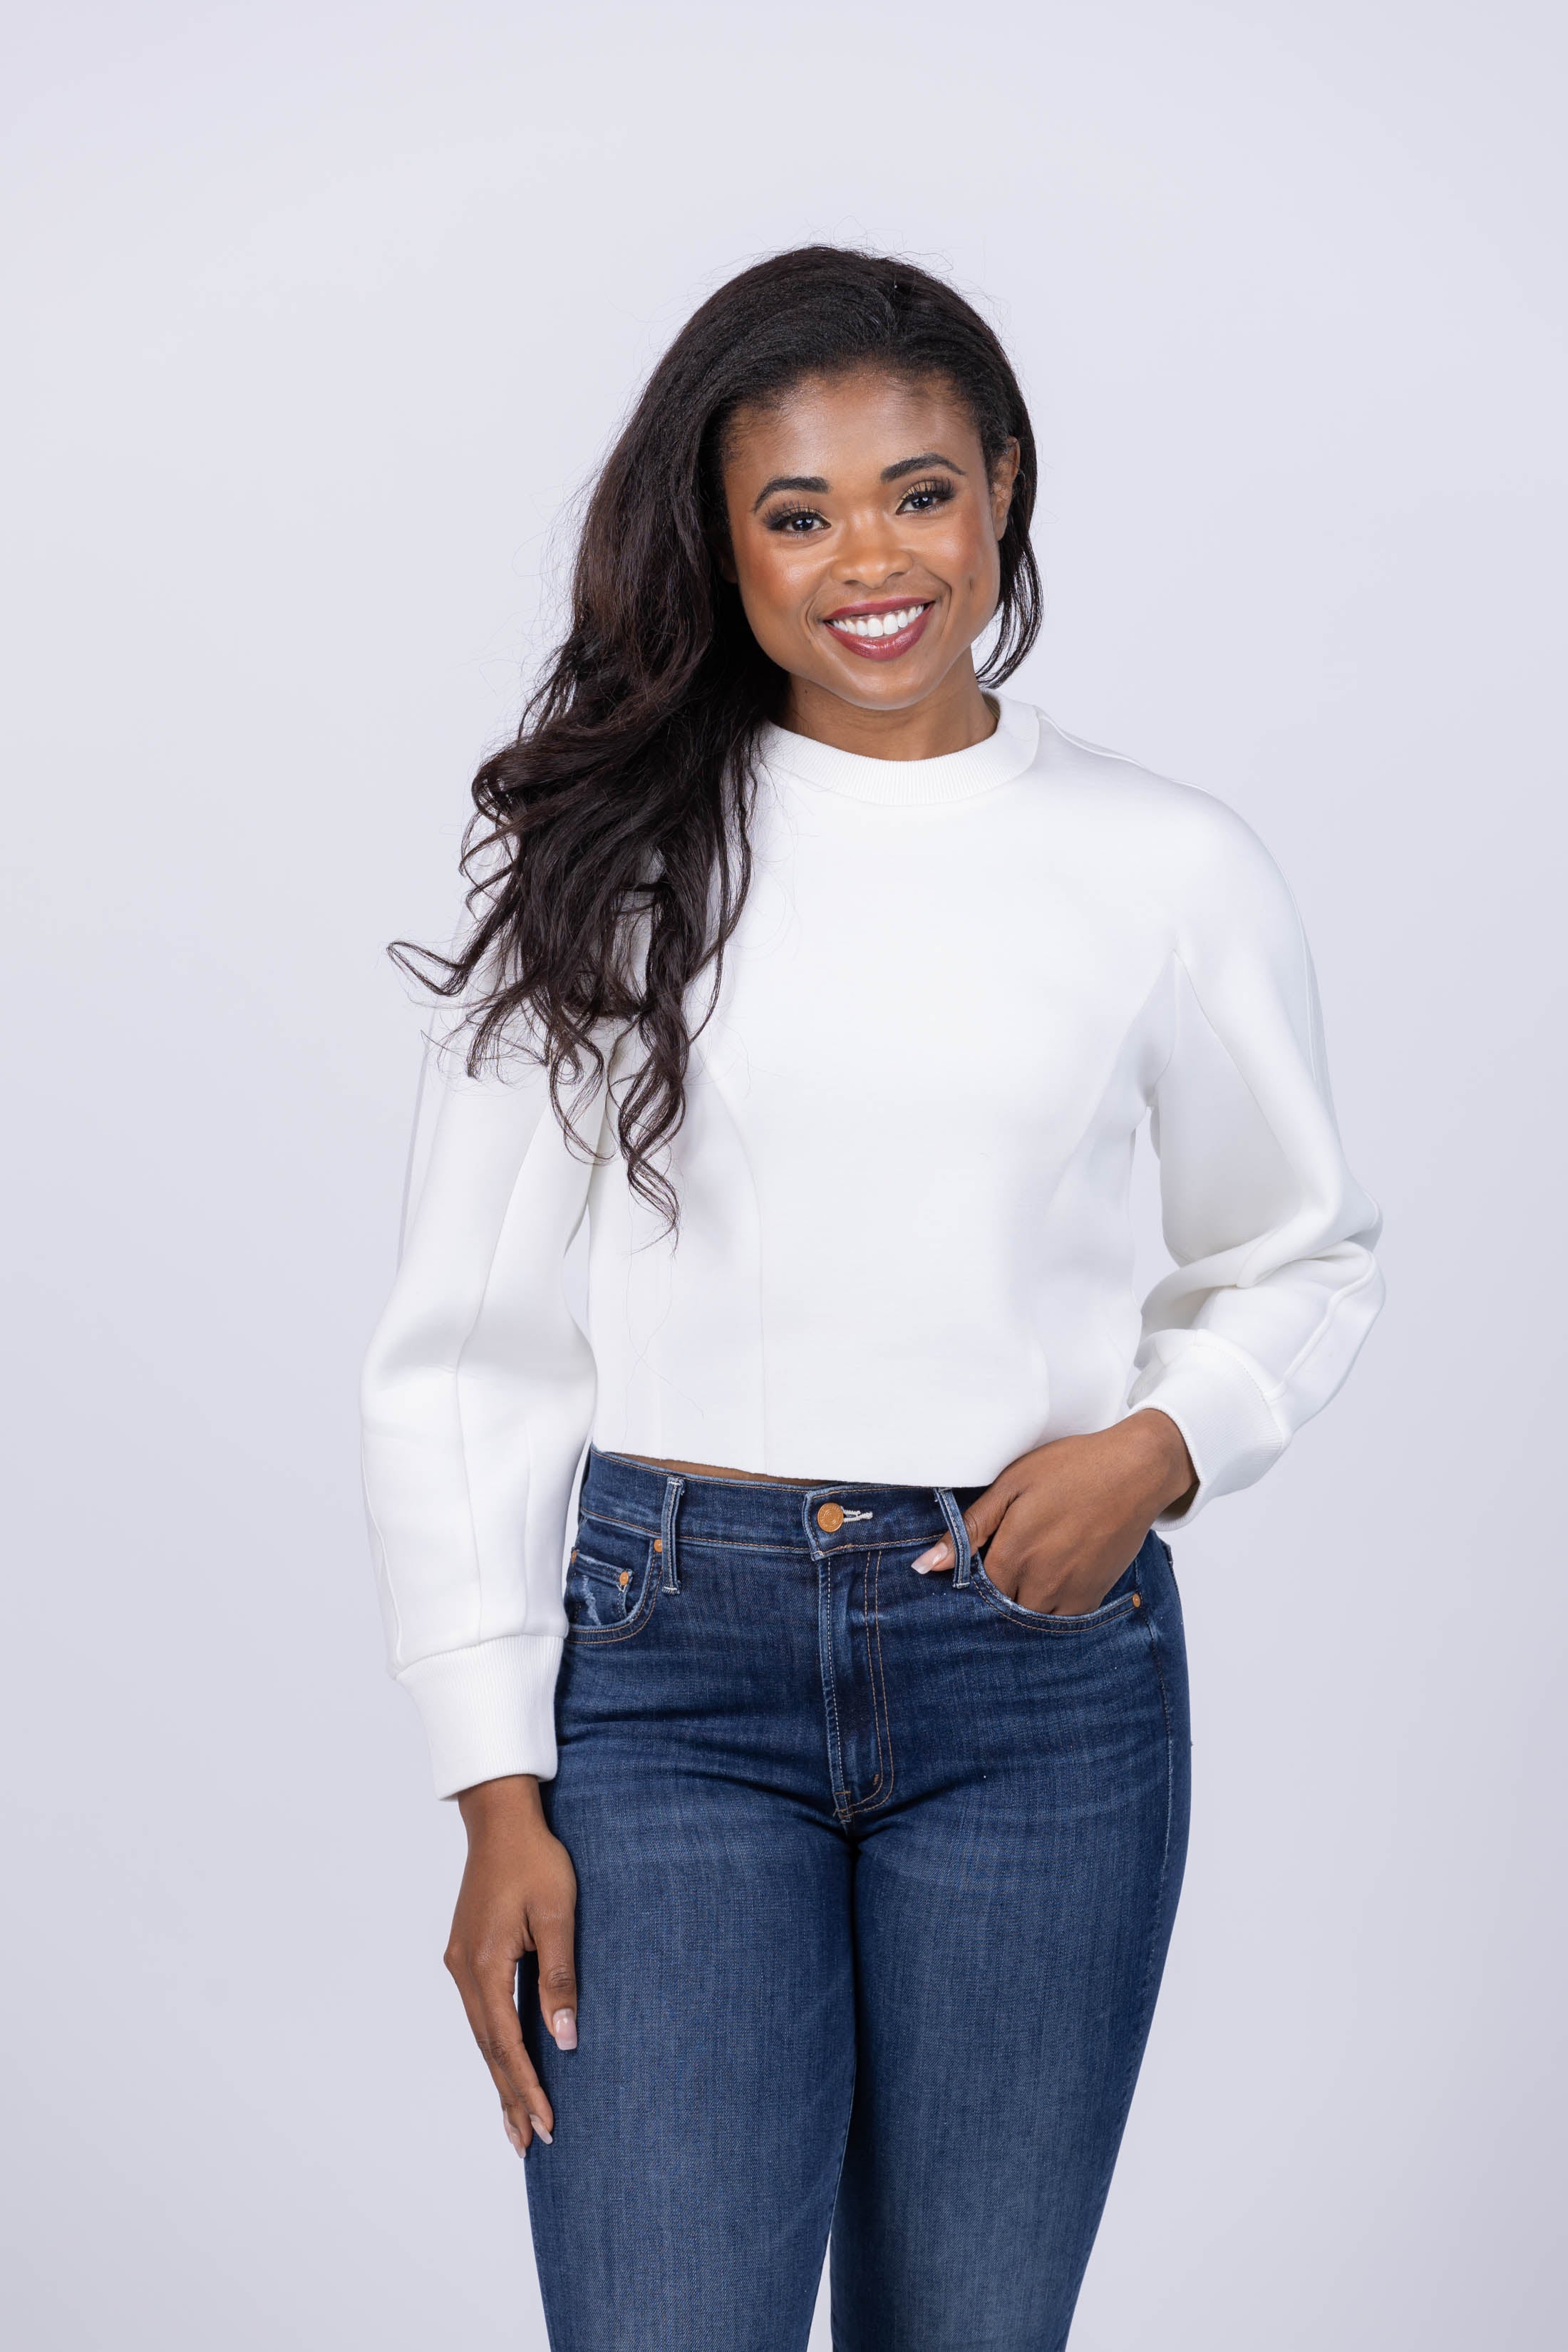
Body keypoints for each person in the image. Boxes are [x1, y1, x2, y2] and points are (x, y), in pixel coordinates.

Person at [359, 246, 1383, 2352]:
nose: (872, 563)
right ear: (723, 545)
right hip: (666, 1681)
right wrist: (493, 1787)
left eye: (919, 492)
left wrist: (1161, 1444)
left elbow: (1299, 1244)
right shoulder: (622, 865)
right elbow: (468, 1350)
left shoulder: (1165, 866)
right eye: (799, 512)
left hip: (1038, 1684)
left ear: (1004, 485)